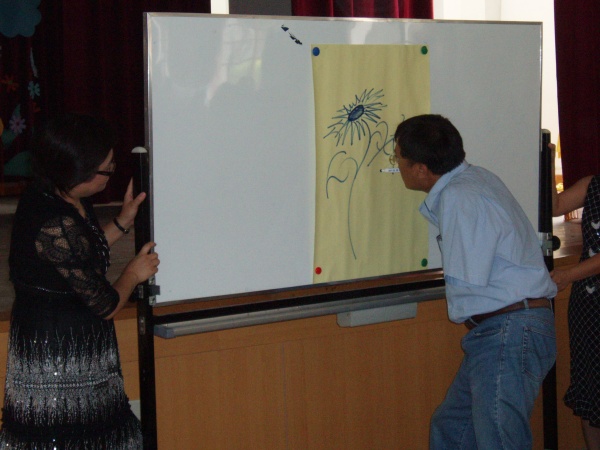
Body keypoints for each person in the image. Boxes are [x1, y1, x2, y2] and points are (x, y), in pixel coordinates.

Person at [392, 114, 557, 449]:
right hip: (505, 328)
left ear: (421, 169)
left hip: (509, 330)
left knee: (499, 439)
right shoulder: (476, 179)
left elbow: (469, 277)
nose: (396, 166)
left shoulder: (460, 196)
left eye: (398, 159)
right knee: (452, 430)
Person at [0, 113, 159, 448]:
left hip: (79, 346)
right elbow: (106, 304)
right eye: (106, 170)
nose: (111, 173)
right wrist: (133, 273)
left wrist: (123, 221)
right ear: (75, 172)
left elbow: (79, 254)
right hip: (56, 357)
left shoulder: (65, 195)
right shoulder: (52, 219)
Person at [550, 145, 600, 449]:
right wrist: (545, 161)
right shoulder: (593, 185)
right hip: (588, 306)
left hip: (583, 286)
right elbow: (555, 206)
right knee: (590, 393)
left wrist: (568, 275)